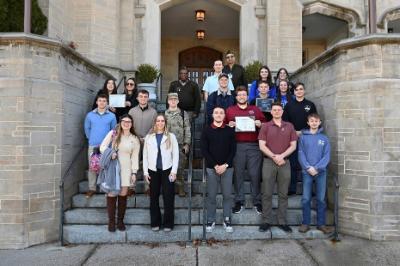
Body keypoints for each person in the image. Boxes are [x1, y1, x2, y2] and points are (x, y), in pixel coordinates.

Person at [225, 86, 266, 215]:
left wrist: (260, 124)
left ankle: (257, 201)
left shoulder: (255, 109)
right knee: (238, 174)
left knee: (255, 174)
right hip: (237, 146)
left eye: (244, 94)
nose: (242, 97)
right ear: (236, 97)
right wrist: (228, 125)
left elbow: (266, 124)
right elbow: (223, 124)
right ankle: (239, 200)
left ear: (247, 96)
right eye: (239, 95)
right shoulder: (230, 110)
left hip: (254, 146)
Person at [258, 102, 297, 233]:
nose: (276, 112)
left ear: (282, 111)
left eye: (279, 110)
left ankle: (282, 221)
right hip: (269, 162)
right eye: (274, 110)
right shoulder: (266, 126)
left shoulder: (290, 126)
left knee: (283, 194)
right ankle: (266, 221)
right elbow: (262, 146)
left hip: (285, 162)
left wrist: (281, 156)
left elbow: (293, 145)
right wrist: (274, 156)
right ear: (271, 112)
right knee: (267, 193)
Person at [100, 114, 140, 232]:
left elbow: (135, 157)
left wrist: (134, 173)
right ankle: (111, 222)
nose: (126, 123)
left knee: (123, 195)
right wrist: (110, 153)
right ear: (120, 122)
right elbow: (102, 146)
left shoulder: (135, 139)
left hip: (126, 170)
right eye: (124, 121)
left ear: (131, 124)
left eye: (129, 122)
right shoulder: (113, 134)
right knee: (112, 194)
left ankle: (120, 221)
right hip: (113, 169)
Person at [201, 107, 236, 233]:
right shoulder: (206, 130)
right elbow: (204, 150)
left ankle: (227, 219)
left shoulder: (230, 130)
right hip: (212, 168)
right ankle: (211, 219)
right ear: (212, 115)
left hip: (227, 168)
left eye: (221, 113)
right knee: (211, 196)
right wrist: (215, 165)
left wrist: (225, 165)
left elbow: (233, 150)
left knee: (227, 195)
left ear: (224, 115)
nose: (219, 115)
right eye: (216, 112)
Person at [298, 113, 333, 234]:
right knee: (306, 198)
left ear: (319, 122)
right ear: (308, 123)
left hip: (321, 172)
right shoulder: (303, 137)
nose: (314, 123)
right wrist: (308, 167)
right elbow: (301, 153)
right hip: (307, 171)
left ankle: (321, 224)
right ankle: (305, 223)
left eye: (316, 121)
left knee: (321, 199)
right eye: (311, 121)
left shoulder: (324, 138)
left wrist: (317, 168)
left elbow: (327, 156)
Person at [143, 114, 179, 232]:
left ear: (165, 123)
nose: (160, 123)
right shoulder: (149, 137)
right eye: (158, 121)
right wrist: (145, 172)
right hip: (153, 171)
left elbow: (176, 155)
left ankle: (168, 223)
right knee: (154, 197)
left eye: (162, 121)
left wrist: (174, 171)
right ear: (155, 123)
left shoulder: (171, 136)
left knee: (168, 197)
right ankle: (155, 222)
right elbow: (145, 156)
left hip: (167, 170)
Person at [283, 82, 317, 195]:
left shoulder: (310, 105)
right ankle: (292, 188)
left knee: (308, 163)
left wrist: (303, 132)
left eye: (301, 89)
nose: (299, 91)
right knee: (292, 163)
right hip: (292, 138)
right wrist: (294, 132)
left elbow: (314, 121)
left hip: (307, 137)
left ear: (304, 90)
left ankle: (309, 189)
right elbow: (285, 122)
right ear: (294, 92)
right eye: (296, 89)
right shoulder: (289, 105)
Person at [84, 94, 117, 198]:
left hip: (106, 147)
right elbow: (87, 129)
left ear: (107, 103)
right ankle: (92, 188)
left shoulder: (111, 116)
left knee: (106, 166)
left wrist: (110, 145)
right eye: (100, 100)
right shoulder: (90, 115)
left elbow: (114, 131)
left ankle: (106, 187)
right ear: (97, 102)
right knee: (92, 167)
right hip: (93, 145)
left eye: (104, 101)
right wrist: (92, 139)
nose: (102, 102)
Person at [128, 89, 158, 195]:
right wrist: (136, 137)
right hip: (134, 140)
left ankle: (148, 187)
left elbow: (155, 126)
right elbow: (129, 125)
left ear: (148, 98)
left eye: (145, 97)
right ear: (137, 98)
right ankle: (131, 187)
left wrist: (146, 137)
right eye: (141, 96)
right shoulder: (132, 111)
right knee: (133, 164)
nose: (143, 98)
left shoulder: (153, 112)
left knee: (148, 164)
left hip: (148, 140)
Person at [165, 93, 191, 197]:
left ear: (178, 101)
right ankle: (169, 188)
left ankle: (180, 188)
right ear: (168, 101)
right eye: (171, 99)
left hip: (180, 145)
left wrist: (187, 143)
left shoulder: (183, 114)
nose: (173, 101)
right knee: (167, 167)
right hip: (167, 145)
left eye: (175, 99)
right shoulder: (164, 114)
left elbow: (187, 129)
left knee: (180, 167)